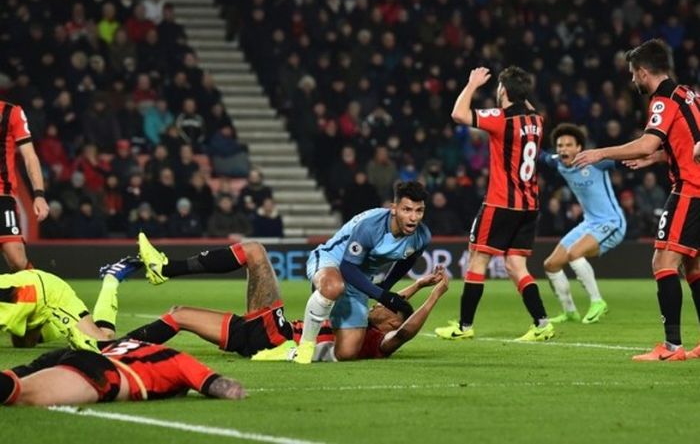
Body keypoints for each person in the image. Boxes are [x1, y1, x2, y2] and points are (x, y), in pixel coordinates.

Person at [143, 181, 431, 364]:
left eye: (419, 211)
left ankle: (114, 347)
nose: (414, 217)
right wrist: (401, 292)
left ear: (390, 324)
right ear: (394, 209)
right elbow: (354, 274)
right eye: (408, 210)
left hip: (265, 336)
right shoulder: (371, 226)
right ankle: (166, 268)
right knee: (326, 285)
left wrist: (416, 292)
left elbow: (405, 328)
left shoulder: (371, 338)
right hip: (282, 324)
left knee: (179, 313)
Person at [573, 39, 700, 361]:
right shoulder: (688, 93)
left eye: (633, 74)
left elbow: (645, 142)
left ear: (643, 71)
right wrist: (661, 157)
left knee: (663, 262)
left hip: (690, 189)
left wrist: (600, 152)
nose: (632, 80)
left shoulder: (663, 99)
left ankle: (671, 347)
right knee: (693, 265)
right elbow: (690, 141)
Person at [134, 236, 448, 361]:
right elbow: (398, 306)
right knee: (178, 313)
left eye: (385, 308)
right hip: (264, 338)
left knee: (254, 251)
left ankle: (165, 268)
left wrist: (435, 296)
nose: (378, 305)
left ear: (392, 321)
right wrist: (419, 283)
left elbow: (406, 329)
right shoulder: (364, 320)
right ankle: (114, 349)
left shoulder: (376, 341)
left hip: (278, 337)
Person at [435, 66, 554, 342]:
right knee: (515, 265)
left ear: (503, 91)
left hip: (501, 203)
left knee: (478, 259)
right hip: (529, 205)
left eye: (500, 87)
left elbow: (458, 114)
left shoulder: (501, 119)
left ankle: (463, 327)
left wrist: (472, 84)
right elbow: (526, 105)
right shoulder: (537, 120)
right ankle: (542, 323)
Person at [539, 123, 626, 324]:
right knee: (550, 265)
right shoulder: (558, 162)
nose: (563, 150)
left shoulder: (595, 163)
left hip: (612, 222)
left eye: (569, 145)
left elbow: (626, 160)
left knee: (574, 253)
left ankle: (598, 302)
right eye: (560, 146)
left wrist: (653, 155)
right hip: (589, 223)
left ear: (579, 148)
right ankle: (570, 311)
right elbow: (540, 155)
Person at [0, 338, 246, 406]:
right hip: (104, 375)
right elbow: (226, 389)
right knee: (22, 395)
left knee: (19, 377)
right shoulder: (180, 360)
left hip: (85, 356)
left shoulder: (124, 342)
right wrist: (239, 391)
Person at [0, 257, 140, 351]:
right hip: (28, 298)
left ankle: (111, 278)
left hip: (49, 293)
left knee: (101, 343)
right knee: (23, 344)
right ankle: (64, 326)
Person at [0, 100, 50, 271]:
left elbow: (30, 157)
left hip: (2, 195)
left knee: (17, 259)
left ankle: (34, 294)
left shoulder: (11, 112)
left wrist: (39, 195)